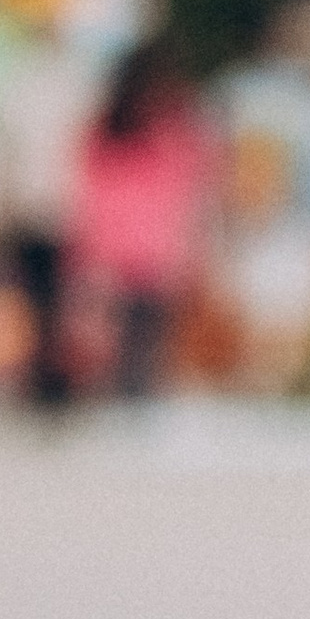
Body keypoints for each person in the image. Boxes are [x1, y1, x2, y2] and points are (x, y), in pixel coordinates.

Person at [73, 39, 213, 397]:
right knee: (109, 360)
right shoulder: (112, 129)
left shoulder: (176, 129)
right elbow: (92, 198)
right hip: (121, 263)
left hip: (154, 264)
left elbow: (190, 197)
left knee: (146, 359)